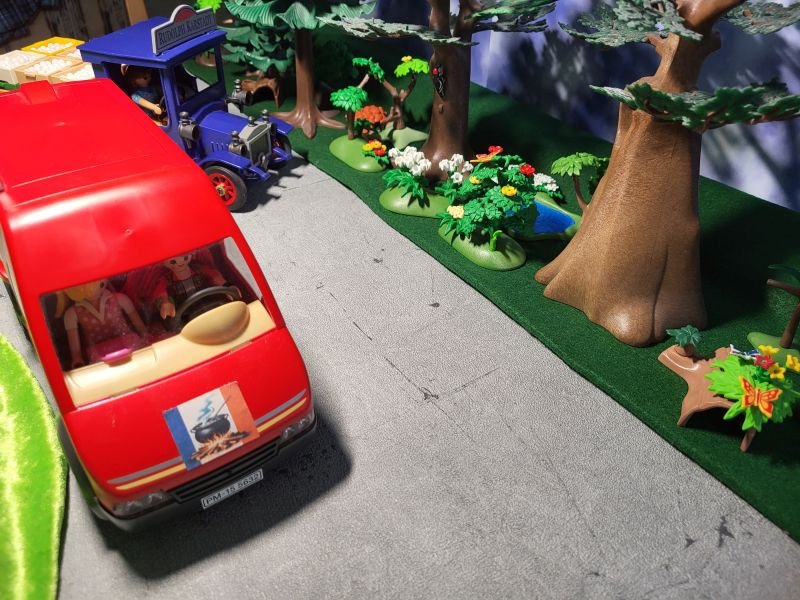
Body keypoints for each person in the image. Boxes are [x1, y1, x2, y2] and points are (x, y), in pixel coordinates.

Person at [60, 280, 148, 369]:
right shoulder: (72, 314)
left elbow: (141, 328)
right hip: (98, 356)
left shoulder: (120, 299)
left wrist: (146, 339)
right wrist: (77, 359)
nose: (93, 291)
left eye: (97, 284)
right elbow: (76, 352)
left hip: (130, 346)